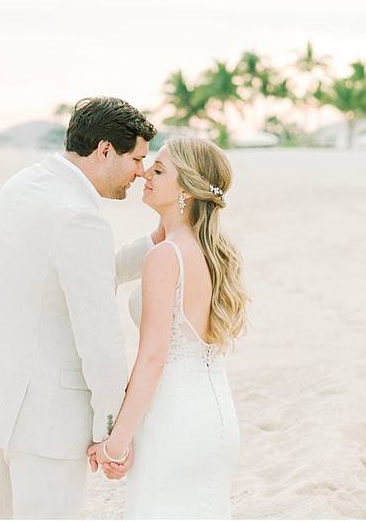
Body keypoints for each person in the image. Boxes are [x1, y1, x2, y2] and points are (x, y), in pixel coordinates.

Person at [0, 96, 158, 518]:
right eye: (138, 159)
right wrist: (111, 431)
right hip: (45, 422)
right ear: (105, 149)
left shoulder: (23, 185)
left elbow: (57, 277)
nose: (141, 173)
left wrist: (152, 245)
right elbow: (99, 340)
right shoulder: (80, 218)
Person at [87, 136, 249, 518]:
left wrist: (116, 443)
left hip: (173, 420)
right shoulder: (214, 253)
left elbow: (153, 358)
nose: (145, 174)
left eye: (159, 171)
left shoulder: (166, 257)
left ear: (187, 191)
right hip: (217, 419)